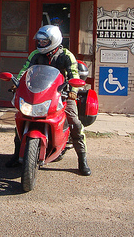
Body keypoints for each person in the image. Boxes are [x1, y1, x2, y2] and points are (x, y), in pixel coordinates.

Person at [6, 25, 91, 176]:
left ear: (54, 41)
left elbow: (74, 74)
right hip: (39, 92)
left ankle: (82, 160)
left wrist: (73, 91)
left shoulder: (66, 55)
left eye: (44, 41)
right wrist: (17, 83)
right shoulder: (35, 54)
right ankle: (16, 154)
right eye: (39, 41)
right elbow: (25, 70)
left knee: (74, 122)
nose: (40, 44)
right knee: (22, 117)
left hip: (62, 93)